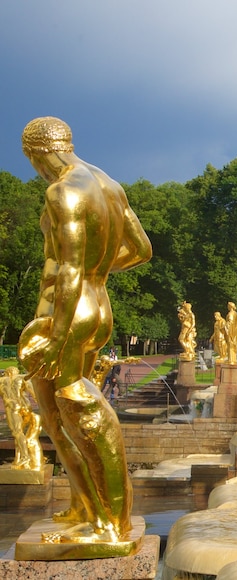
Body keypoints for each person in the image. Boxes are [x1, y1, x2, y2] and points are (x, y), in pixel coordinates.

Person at [17, 116, 152, 546]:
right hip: (96, 307)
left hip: (66, 312)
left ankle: (111, 525)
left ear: (36, 153)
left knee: (77, 409)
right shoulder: (108, 184)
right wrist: (99, 272)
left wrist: (57, 334)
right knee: (57, 419)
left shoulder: (63, 190)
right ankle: (85, 507)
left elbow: (70, 267)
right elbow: (142, 250)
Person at [0, 367, 42, 471]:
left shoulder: (2, 381)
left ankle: (25, 457)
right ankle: (18, 458)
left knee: (17, 433)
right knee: (20, 435)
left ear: (6, 373)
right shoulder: (22, 378)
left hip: (12, 406)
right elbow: (33, 393)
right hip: (25, 406)